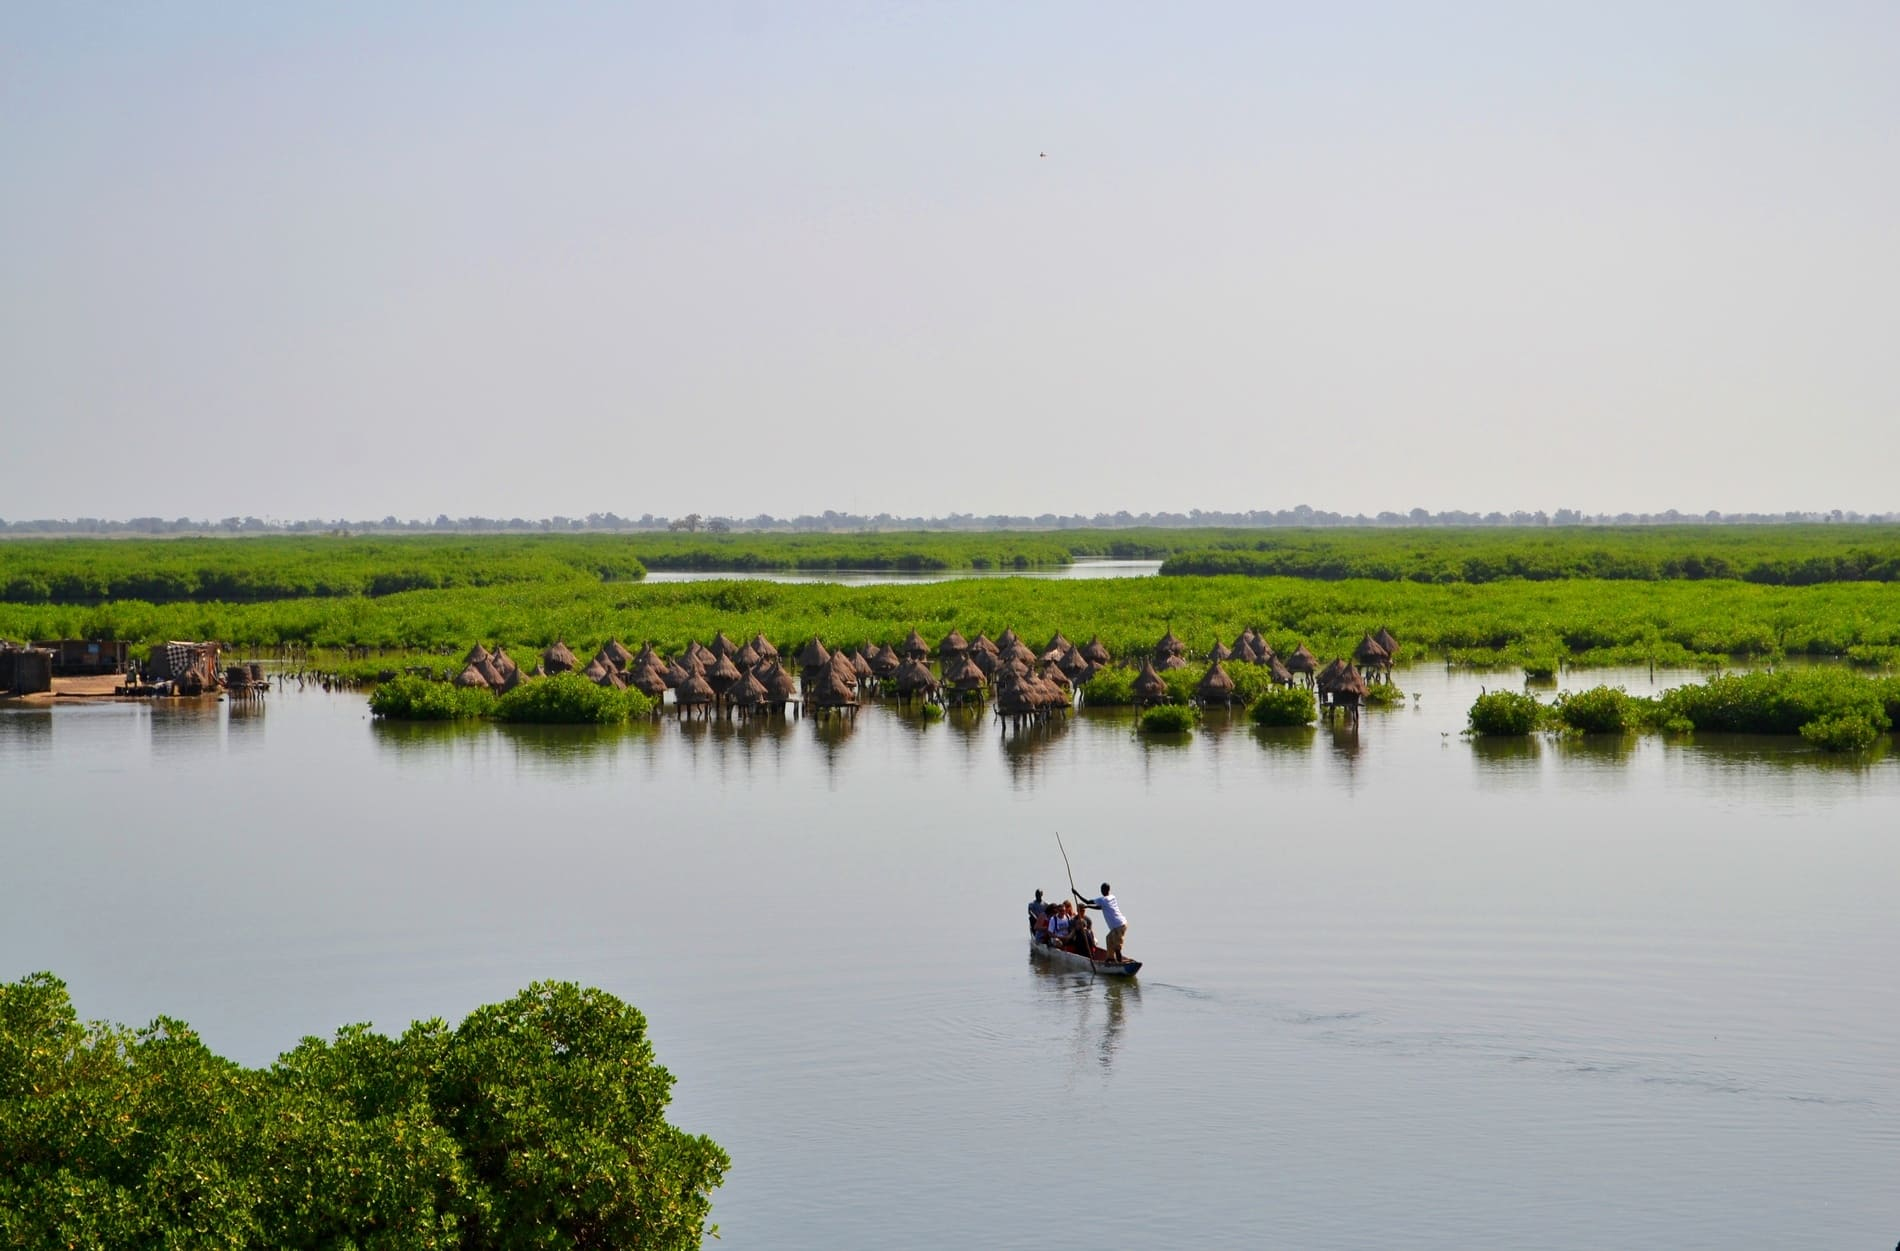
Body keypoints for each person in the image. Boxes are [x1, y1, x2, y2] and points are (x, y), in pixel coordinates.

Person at [1074, 882, 1128, 963]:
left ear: (1103, 890)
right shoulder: (1112, 897)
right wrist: (1088, 907)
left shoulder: (1102, 900)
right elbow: (1101, 907)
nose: (1102, 891)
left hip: (1118, 926)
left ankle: (1119, 963)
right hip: (1121, 924)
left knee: (1117, 947)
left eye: (1102, 889)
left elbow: (1088, 901)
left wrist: (1077, 894)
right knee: (1109, 938)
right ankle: (1110, 958)